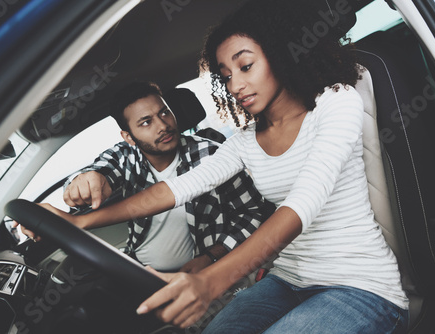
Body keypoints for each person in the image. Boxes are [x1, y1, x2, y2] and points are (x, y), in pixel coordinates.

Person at [21, 0, 409, 332]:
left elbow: (303, 202)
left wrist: (209, 280)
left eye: (246, 66)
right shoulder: (243, 141)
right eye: (226, 76)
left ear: (278, 54)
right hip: (287, 279)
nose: (236, 85)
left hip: (360, 286)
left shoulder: (334, 102)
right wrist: (78, 222)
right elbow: (174, 190)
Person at [21, 80, 274, 274]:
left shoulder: (211, 154)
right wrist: (86, 182)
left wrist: (211, 258)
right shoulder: (124, 156)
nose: (162, 125)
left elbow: (253, 213)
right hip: (139, 270)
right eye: (145, 122)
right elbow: (101, 172)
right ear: (128, 137)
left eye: (164, 113)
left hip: (204, 273)